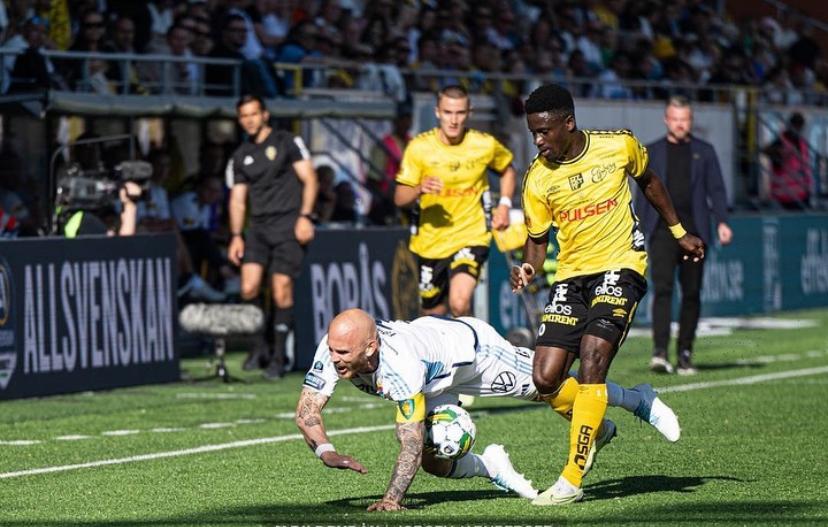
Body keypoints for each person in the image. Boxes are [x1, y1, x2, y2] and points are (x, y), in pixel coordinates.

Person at [513, 84, 704, 505]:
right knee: (545, 379)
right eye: (533, 133)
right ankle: (624, 407)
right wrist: (528, 267)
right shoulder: (537, 177)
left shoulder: (618, 145)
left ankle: (571, 479)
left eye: (544, 131)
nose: (538, 140)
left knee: (593, 360)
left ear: (568, 123)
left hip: (622, 265)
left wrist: (678, 232)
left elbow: (650, 181)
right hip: (572, 276)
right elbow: (537, 240)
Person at [295, 308, 681, 512]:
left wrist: (392, 499)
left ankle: (637, 399)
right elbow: (307, 410)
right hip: (434, 377)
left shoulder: (400, 366)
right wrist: (326, 451)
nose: (334, 358)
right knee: (436, 459)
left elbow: (408, 441)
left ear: (371, 347)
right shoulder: (332, 350)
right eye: (332, 349)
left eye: (343, 352)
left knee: (553, 385)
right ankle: (492, 467)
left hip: (475, 356)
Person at [394, 85, 517, 317]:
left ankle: (471, 341)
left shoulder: (483, 144)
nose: (453, 120)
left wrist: (504, 205)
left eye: (460, 113)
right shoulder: (419, 148)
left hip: (471, 234)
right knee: (432, 315)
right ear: (437, 112)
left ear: (469, 113)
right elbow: (400, 197)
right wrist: (419, 188)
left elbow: (508, 170)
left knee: (459, 303)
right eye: (448, 112)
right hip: (431, 241)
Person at [635, 96, 732, 375]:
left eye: (685, 119)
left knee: (691, 293)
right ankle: (660, 352)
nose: (680, 124)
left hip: (696, 232)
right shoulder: (651, 151)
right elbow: (642, 193)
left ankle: (685, 353)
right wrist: (638, 227)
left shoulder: (705, 151)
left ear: (691, 120)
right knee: (662, 289)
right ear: (666, 119)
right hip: (662, 231)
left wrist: (722, 221)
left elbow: (717, 189)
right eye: (675, 119)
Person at [228, 94, 318, 380]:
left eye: (253, 114)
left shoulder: (286, 141)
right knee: (248, 288)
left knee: (281, 290)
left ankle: (279, 357)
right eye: (244, 116)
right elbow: (237, 199)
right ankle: (260, 347)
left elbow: (310, 179)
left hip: (288, 226)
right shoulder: (240, 155)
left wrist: (305, 216)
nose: (249, 120)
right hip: (257, 228)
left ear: (265, 114)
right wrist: (236, 235)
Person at [764, 112, 812, 211]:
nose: (798, 129)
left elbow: (805, 168)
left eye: (800, 126)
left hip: (802, 195)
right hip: (784, 197)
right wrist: (779, 152)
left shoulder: (802, 143)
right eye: (796, 125)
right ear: (790, 125)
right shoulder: (781, 141)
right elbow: (766, 151)